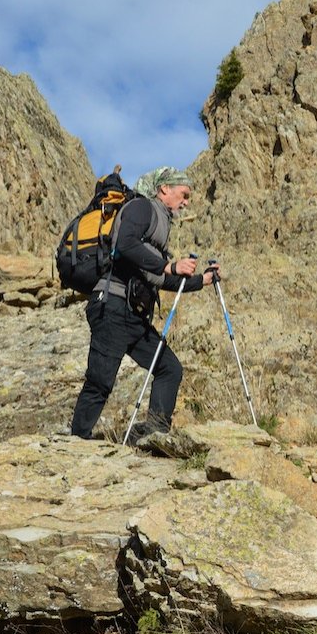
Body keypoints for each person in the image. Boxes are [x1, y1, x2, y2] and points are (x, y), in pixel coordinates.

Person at [70, 166, 221, 440]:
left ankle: (154, 432)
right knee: (101, 381)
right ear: (165, 189)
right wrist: (169, 265)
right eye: (184, 194)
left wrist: (204, 280)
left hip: (134, 317)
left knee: (169, 368)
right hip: (112, 306)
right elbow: (124, 245)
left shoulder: (162, 224)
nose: (186, 202)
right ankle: (77, 441)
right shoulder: (141, 208)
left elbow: (162, 278)